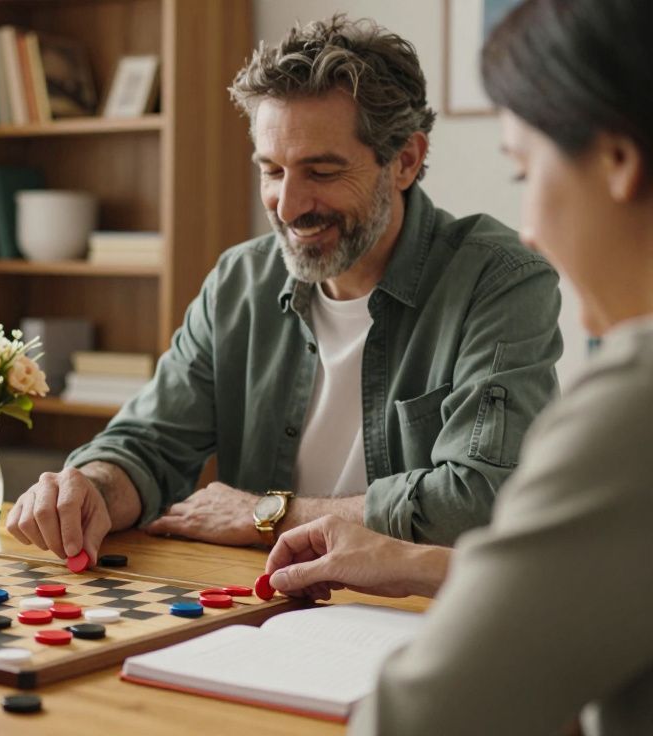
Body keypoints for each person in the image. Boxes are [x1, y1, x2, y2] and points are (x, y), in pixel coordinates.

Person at [7, 15, 564, 562]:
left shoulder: (500, 280)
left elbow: (480, 502)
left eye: (321, 173)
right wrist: (90, 487)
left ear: (405, 161)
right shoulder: (239, 280)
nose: (289, 206)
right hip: (257, 608)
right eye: (272, 170)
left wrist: (267, 515)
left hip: (413, 613)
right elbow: (149, 445)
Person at [264, 1, 653, 733]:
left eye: (523, 170)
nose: (532, 230)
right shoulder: (243, 279)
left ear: (617, 162)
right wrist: (416, 563)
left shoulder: (635, 404)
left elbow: (425, 718)